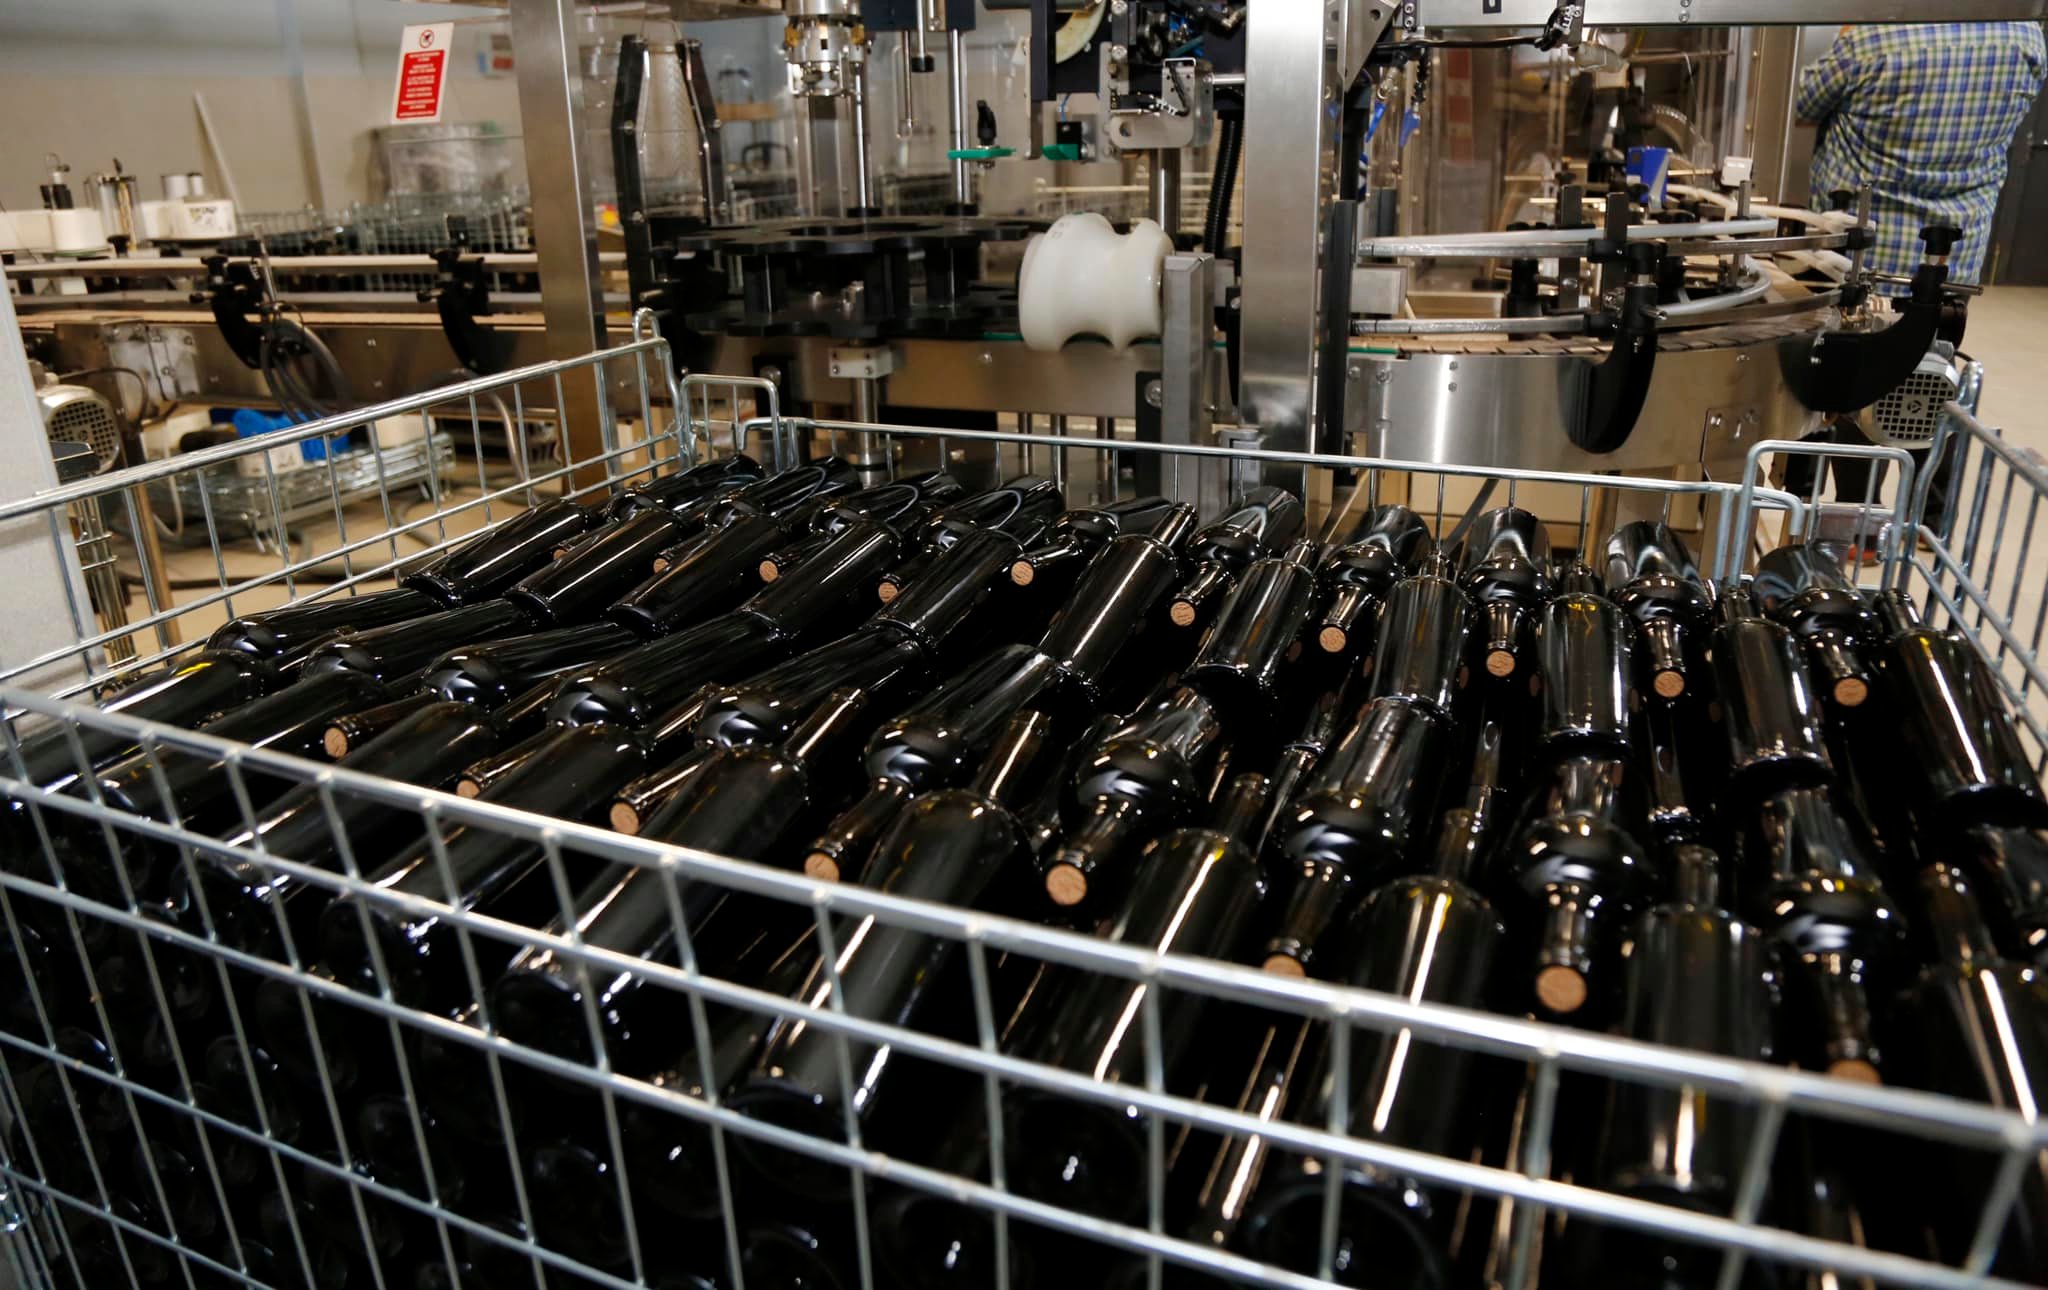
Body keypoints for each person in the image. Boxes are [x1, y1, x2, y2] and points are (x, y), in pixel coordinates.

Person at [1789, 23, 2045, 541]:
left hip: (1866, 252)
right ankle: (1929, 519)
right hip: (1953, 251)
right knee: (1935, 376)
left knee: (1855, 378)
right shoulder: (2025, 38)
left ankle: (1853, 524)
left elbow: (1801, 102)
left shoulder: (1874, 38)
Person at [1798, 22, 2046, 286]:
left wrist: (1847, 33)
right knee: (1938, 312)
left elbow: (1796, 104)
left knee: (1841, 313)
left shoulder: (1873, 37)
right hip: (1958, 257)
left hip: (1855, 256)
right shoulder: (2027, 37)